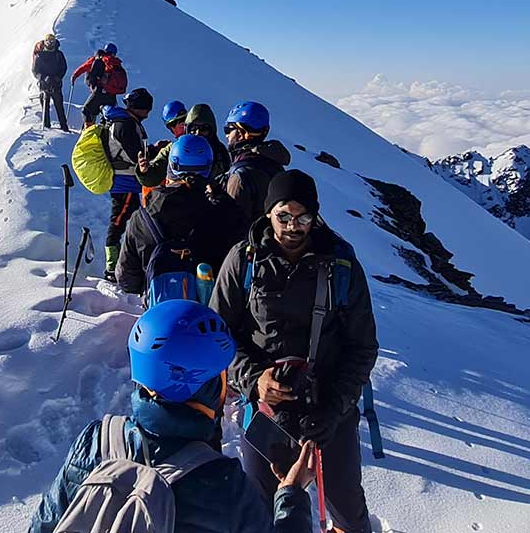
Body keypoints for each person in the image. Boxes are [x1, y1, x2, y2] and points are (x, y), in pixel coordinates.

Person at [28, 300, 315, 533]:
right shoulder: (225, 485)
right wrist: (291, 493)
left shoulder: (94, 441)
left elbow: (45, 524)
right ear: (209, 385)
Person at [210, 170, 378, 533]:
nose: (293, 226)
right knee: (261, 509)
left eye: (303, 217)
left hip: (328, 409)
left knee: (347, 509)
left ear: (315, 217)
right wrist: (255, 380)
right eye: (283, 215)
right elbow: (218, 333)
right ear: (268, 214)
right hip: (267, 413)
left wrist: (334, 409)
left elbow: (362, 346)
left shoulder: (341, 265)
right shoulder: (244, 261)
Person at [116, 135, 246, 300]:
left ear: (171, 166)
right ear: (208, 168)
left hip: (161, 316)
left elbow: (126, 280)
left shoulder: (142, 218)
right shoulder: (227, 213)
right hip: (211, 317)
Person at [100, 88, 153, 281]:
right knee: (119, 221)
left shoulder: (123, 121)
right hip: (126, 182)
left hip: (126, 181)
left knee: (131, 221)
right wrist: (152, 154)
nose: (148, 113)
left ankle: (119, 264)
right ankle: (112, 267)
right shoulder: (126, 125)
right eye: (147, 108)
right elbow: (134, 154)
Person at [220, 101, 291, 222]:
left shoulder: (240, 176)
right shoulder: (274, 163)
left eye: (229, 129)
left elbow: (230, 223)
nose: (227, 135)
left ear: (241, 133)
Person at [138, 103, 230, 190]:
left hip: (208, 203)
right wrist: (145, 172)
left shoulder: (220, 152)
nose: (197, 133)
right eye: (193, 129)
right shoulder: (174, 149)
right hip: (176, 200)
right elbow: (153, 177)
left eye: (203, 129)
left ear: (211, 130)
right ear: (187, 129)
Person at [69, 42, 128, 126]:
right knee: (106, 116)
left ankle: (89, 131)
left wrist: (75, 75)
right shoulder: (116, 63)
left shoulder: (99, 59)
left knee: (86, 110)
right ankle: (104, 135)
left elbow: (84, 67)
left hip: (99, 92)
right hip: (112, 95)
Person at [32, 34, 69, 131]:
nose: (50, 43)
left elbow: (63, 68)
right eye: (48, 41)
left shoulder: (58, 54)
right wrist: (43, 78)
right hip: (44, 85)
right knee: (45, 107)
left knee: (59, 107)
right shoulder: (39, 55)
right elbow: (35, 70)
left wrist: (58, 77)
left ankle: (64, 127)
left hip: (55, 84)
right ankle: (47, 127)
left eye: (52, 41)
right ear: (45, 42)